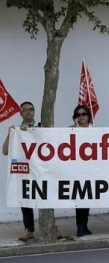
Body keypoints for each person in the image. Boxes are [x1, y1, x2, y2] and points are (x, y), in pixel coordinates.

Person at [2, 101, 39, 241]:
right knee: (25, 201)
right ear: (21, 113)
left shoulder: (41, 127)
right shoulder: (16, 131)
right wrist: (11, 134)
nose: (28, 112)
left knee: (46, 198)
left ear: (34, 111)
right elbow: (5, 151)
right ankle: (29, 229)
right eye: (25, 110)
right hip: (26, 172)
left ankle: (51, 225)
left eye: (31, 109)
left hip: (41, 171)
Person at [70, 105, 93, 237]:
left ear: (88, 116)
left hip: (90, 169)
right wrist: (76, 128)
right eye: (78, 114)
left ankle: (85, 225)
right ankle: (80, 227)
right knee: (80, 199)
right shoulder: (71, 130)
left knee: (88, 198)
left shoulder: (94, 130)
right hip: (77, 170)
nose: (81, 116)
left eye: (84, 114)